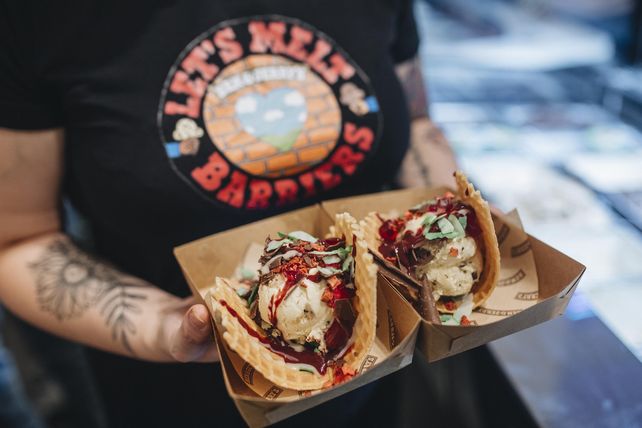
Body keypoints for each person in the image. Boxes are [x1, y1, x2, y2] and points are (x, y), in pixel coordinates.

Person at [0, 0, 458, 426]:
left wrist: (457, 214)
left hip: (375, 371)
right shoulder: (40, 17)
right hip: (172, 392)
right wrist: (164, 323)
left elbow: (414, 121)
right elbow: (19, 240)